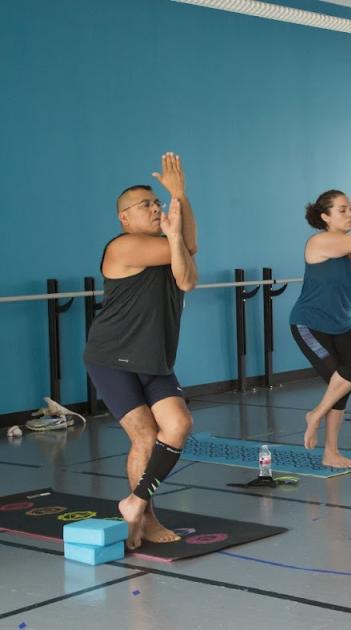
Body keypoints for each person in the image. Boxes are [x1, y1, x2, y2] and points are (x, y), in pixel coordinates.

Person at [83, 153, 198, 550]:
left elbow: (189, 251)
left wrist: (180, 196)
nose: (155, 208)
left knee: (179, 425)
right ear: (124, 219)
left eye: (157, 202)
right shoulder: (124, 247)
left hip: (153, 358)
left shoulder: (165, 245)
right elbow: (186, 250)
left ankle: (134, 502)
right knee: (146, 438)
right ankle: (146, 518)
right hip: (112, 358)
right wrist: (178, 207)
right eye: (145, 205)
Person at [290, 170, 351, 468]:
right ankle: (321, 429)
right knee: (339, 381)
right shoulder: (320, 242)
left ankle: (327, 442)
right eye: (343, 210)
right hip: (309, 324)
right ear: (325, 217)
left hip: (339, 325)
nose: (350, 214)